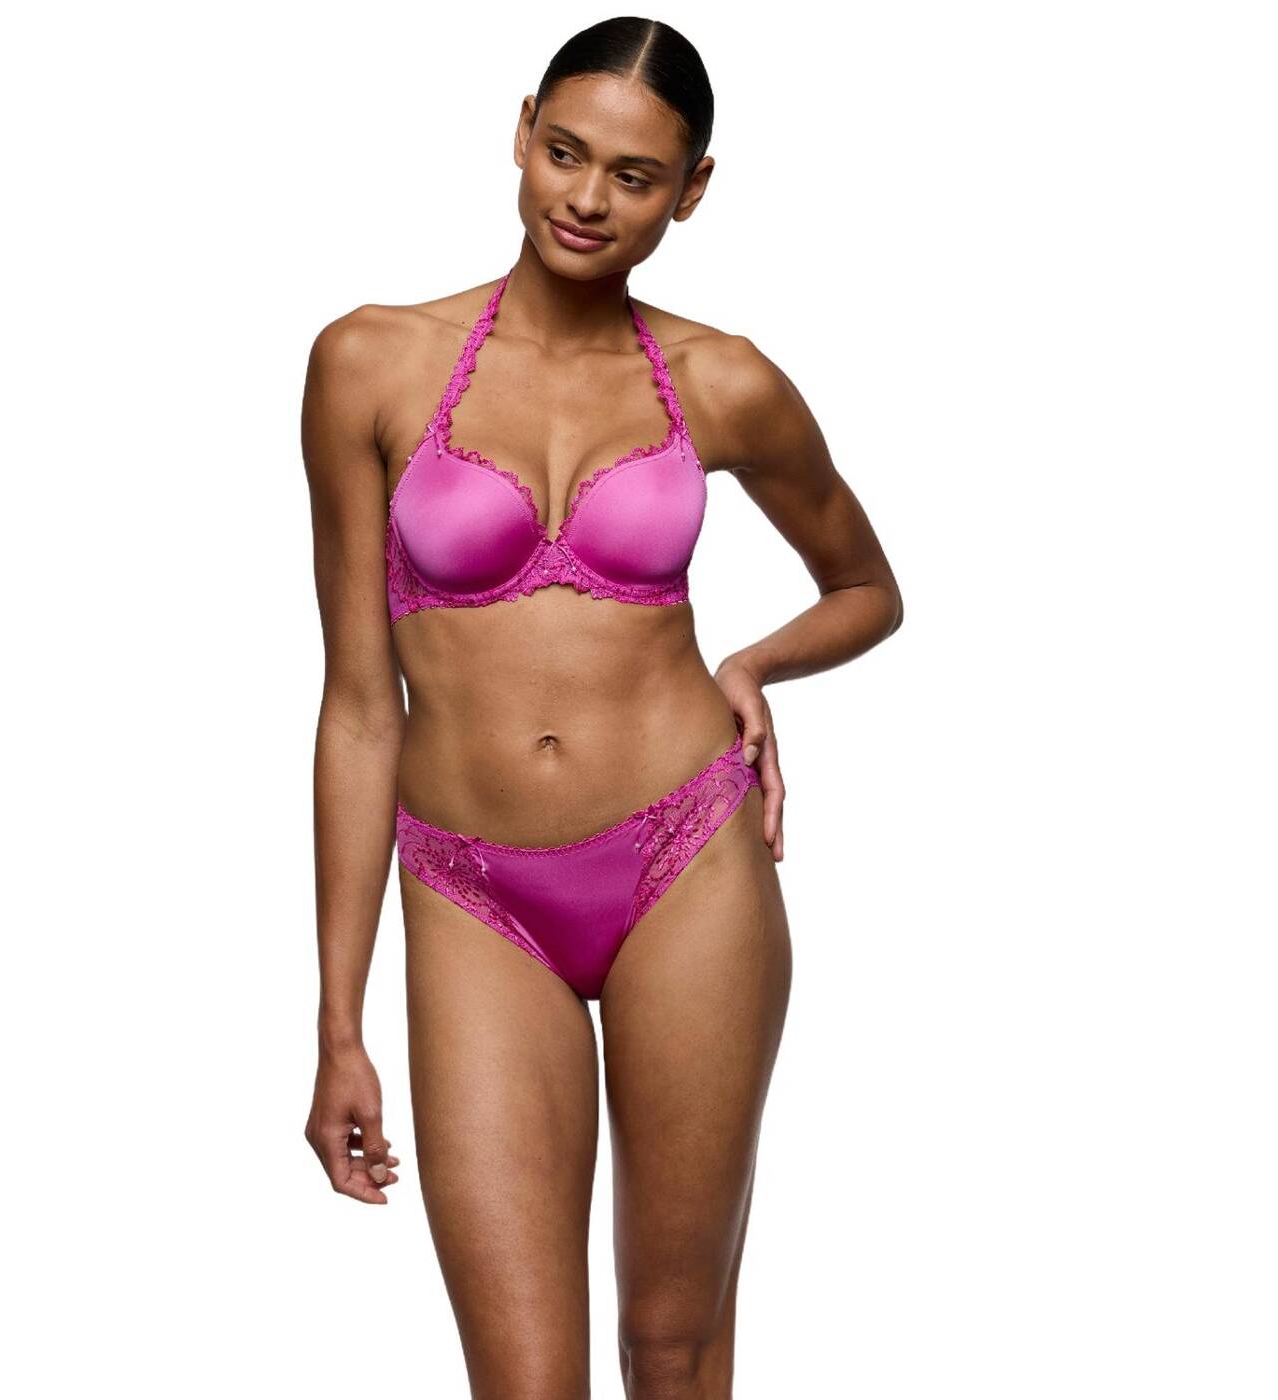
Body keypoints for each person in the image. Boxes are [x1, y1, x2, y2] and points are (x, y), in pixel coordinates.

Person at [300, 17, 902, 1398]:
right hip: (469, 887)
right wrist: (338, 1026)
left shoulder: (724, 379)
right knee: (525, 1381)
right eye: (565, 153)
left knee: (670, 1351)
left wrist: (752, 666)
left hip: (687, 857)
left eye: (635, 176)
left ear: (692, 189)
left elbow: (869, 587)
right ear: (521, 130)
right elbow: (357, 708)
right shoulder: (369, 363)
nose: (586, 199)